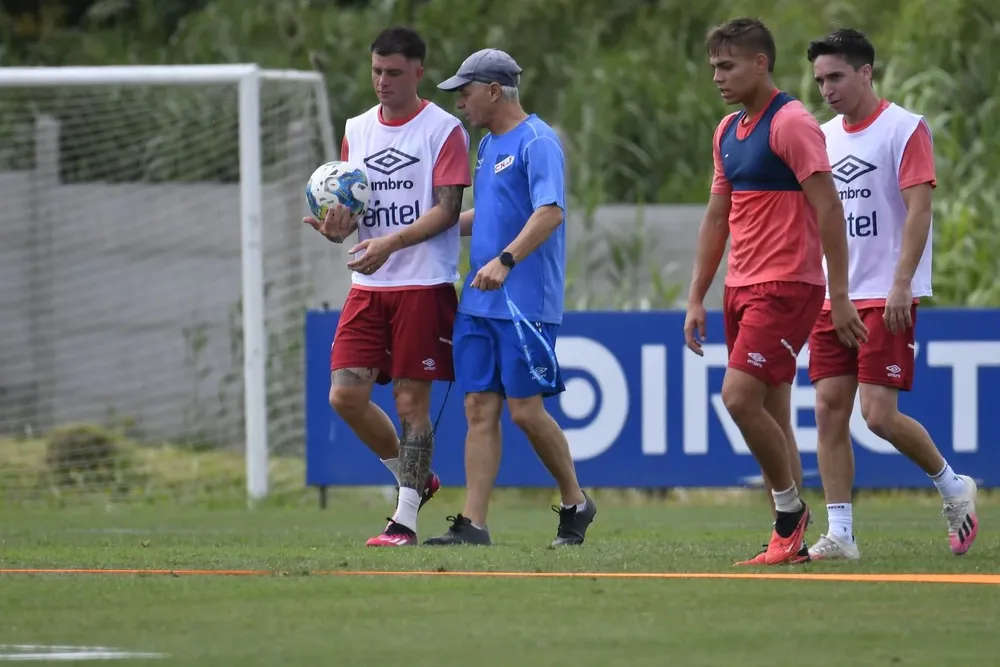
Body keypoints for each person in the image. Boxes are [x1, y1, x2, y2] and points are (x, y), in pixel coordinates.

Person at [684, 17, 868, 566]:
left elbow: (829, 209)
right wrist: (696, 296)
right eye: (714, 66)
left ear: (760, 63)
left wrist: (840, 295)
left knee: (738, 398)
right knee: (775, 414)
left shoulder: (792, 123)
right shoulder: (727, 130)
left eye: (728, 65)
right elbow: (716, 218)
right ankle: (788, 543)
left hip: (787, 285)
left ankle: (790, 513)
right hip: (740, 286)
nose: (717, 76)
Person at [804, 28, 979, 560]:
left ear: (866, 73)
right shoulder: (821, 136)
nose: (827, 89)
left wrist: (903, 282)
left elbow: (920, 210)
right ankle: (841, 534)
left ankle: (953, 486)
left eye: (836, 77)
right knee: (829, 411)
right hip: (835, 294)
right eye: (819, 80)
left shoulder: (904, 128)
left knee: (877, 415)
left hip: (886, 293)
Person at [302, 27, 471, 547]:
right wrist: (338, 230)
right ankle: (415, 478)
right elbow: (354, 209)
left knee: (410, 405)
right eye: (376, 71)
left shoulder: (444, 130)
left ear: (418, 72)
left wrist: (391, 244)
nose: (382, 81)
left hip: (423, 283)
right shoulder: (356, 130)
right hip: (369, 284)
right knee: (344, 396)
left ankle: (404, 521)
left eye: (394, 73)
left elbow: (447, 210)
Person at [423, 48, 596, 547]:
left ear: (494, 91)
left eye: (465, 92)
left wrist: (506, 260)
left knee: (525, 412)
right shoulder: (485, 146)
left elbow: (549, 212)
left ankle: (576, 501)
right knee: (478, 407)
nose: (460, 103)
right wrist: (426, 229)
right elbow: (492, 212)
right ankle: (473, 524)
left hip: (524, 304)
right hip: (478, 302)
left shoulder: (538, 141)